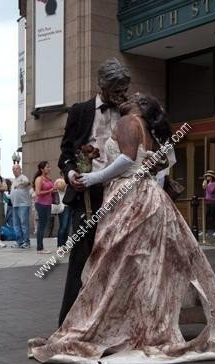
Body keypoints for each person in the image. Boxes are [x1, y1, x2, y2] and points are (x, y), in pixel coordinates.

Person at [28, 93, 215, 364]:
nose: (131, 95)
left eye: (137, 96)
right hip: (151, 198)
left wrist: (93, 177)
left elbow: (126, 160)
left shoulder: (129, 121)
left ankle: (115, 323)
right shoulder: (150, 131)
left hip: (129, 198)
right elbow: (163, 161)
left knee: (114, 263)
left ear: (142, 107)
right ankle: (140, 323)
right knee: (142, 267)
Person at [57, 58, 131, 326]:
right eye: (116, 88)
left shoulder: (129, 113)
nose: (120, 94)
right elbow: (65, 152)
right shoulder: (80, 111)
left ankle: (112, 323)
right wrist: (70, 173)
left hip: (122, 194)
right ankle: (68, 325)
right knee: (80, 258)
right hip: (86, 197)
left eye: (123, 88)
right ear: (101, 85)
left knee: (118, 259)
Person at [33, 161, 55, 254]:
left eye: (49, 167)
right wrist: (50, 190)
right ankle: (39, 248)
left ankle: (41, 247)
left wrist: (54, 190)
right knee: (41, 226)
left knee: (44, 225)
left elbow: (51, 190)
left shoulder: (48, 179)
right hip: (41, 204)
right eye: (47, 167)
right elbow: (37, 192)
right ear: (42, 169)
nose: (49, 168)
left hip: (48, 204)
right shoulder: (39, 179)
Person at [10, 164, 31, 249]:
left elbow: (27, 182)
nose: (15, 170)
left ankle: (26, 242)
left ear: (20, 169)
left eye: (17, 169)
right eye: (13, 169)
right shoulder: (13, 180)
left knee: (24, 224)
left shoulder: (23, 177)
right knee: (16, 224)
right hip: (15, 205)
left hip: (23, 204)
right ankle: (19, 241)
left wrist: (20, 183)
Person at [51, 177, 72, 249]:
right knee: (63, 226)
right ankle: (59, 245)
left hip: (70, 206)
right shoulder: (60, 181)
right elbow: (61, 187)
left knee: (67, 227)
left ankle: (64, 244)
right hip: (63, 207)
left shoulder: (70, 181)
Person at [202, 170, 215, 237]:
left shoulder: (214, 183)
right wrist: (204, 187)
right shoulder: (207, 183)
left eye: (208, 176)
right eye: (207, 176)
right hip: (207, 201)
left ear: (212, 177)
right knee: (206, 216)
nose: (207, 177)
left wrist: (206, 186)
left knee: (213, 216)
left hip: (213, 201)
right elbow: (206, 192)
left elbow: (211, 191)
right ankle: (205, 231)